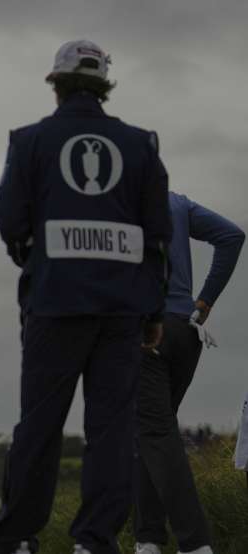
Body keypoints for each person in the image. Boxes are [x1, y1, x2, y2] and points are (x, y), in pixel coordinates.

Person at [0, 40, 172, 554]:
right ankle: (94, 541)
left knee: (40, 426)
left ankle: (18, 539)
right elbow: (158, 235)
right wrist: (153, 310)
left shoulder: (29, 142)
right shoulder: (142, 145)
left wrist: (39, 263)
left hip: (54, 303)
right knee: (111, 431)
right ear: (105, 85)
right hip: (123, 311)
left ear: (56, 83)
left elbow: (8, 220)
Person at [135, 192, 243, 554]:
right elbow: (232, 236)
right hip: (185, 331)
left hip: (143, 333)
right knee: (151, 435)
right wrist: (206, 300)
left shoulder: (111, 202)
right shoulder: (175, 202)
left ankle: (195, 544)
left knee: (154, 433)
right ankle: (147, 540)